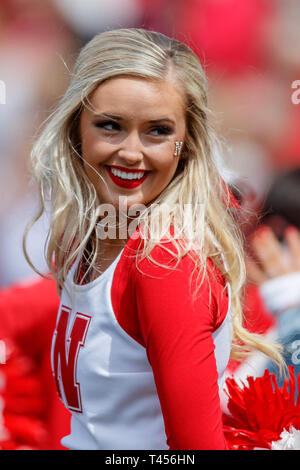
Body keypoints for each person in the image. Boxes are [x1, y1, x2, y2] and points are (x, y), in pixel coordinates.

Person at [24, 28, 285, 450]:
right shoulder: (88, 240)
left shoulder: (164, 265)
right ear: (76, 129)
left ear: (187, 143)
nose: (131, 152)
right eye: (110, 126)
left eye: (158, 131)